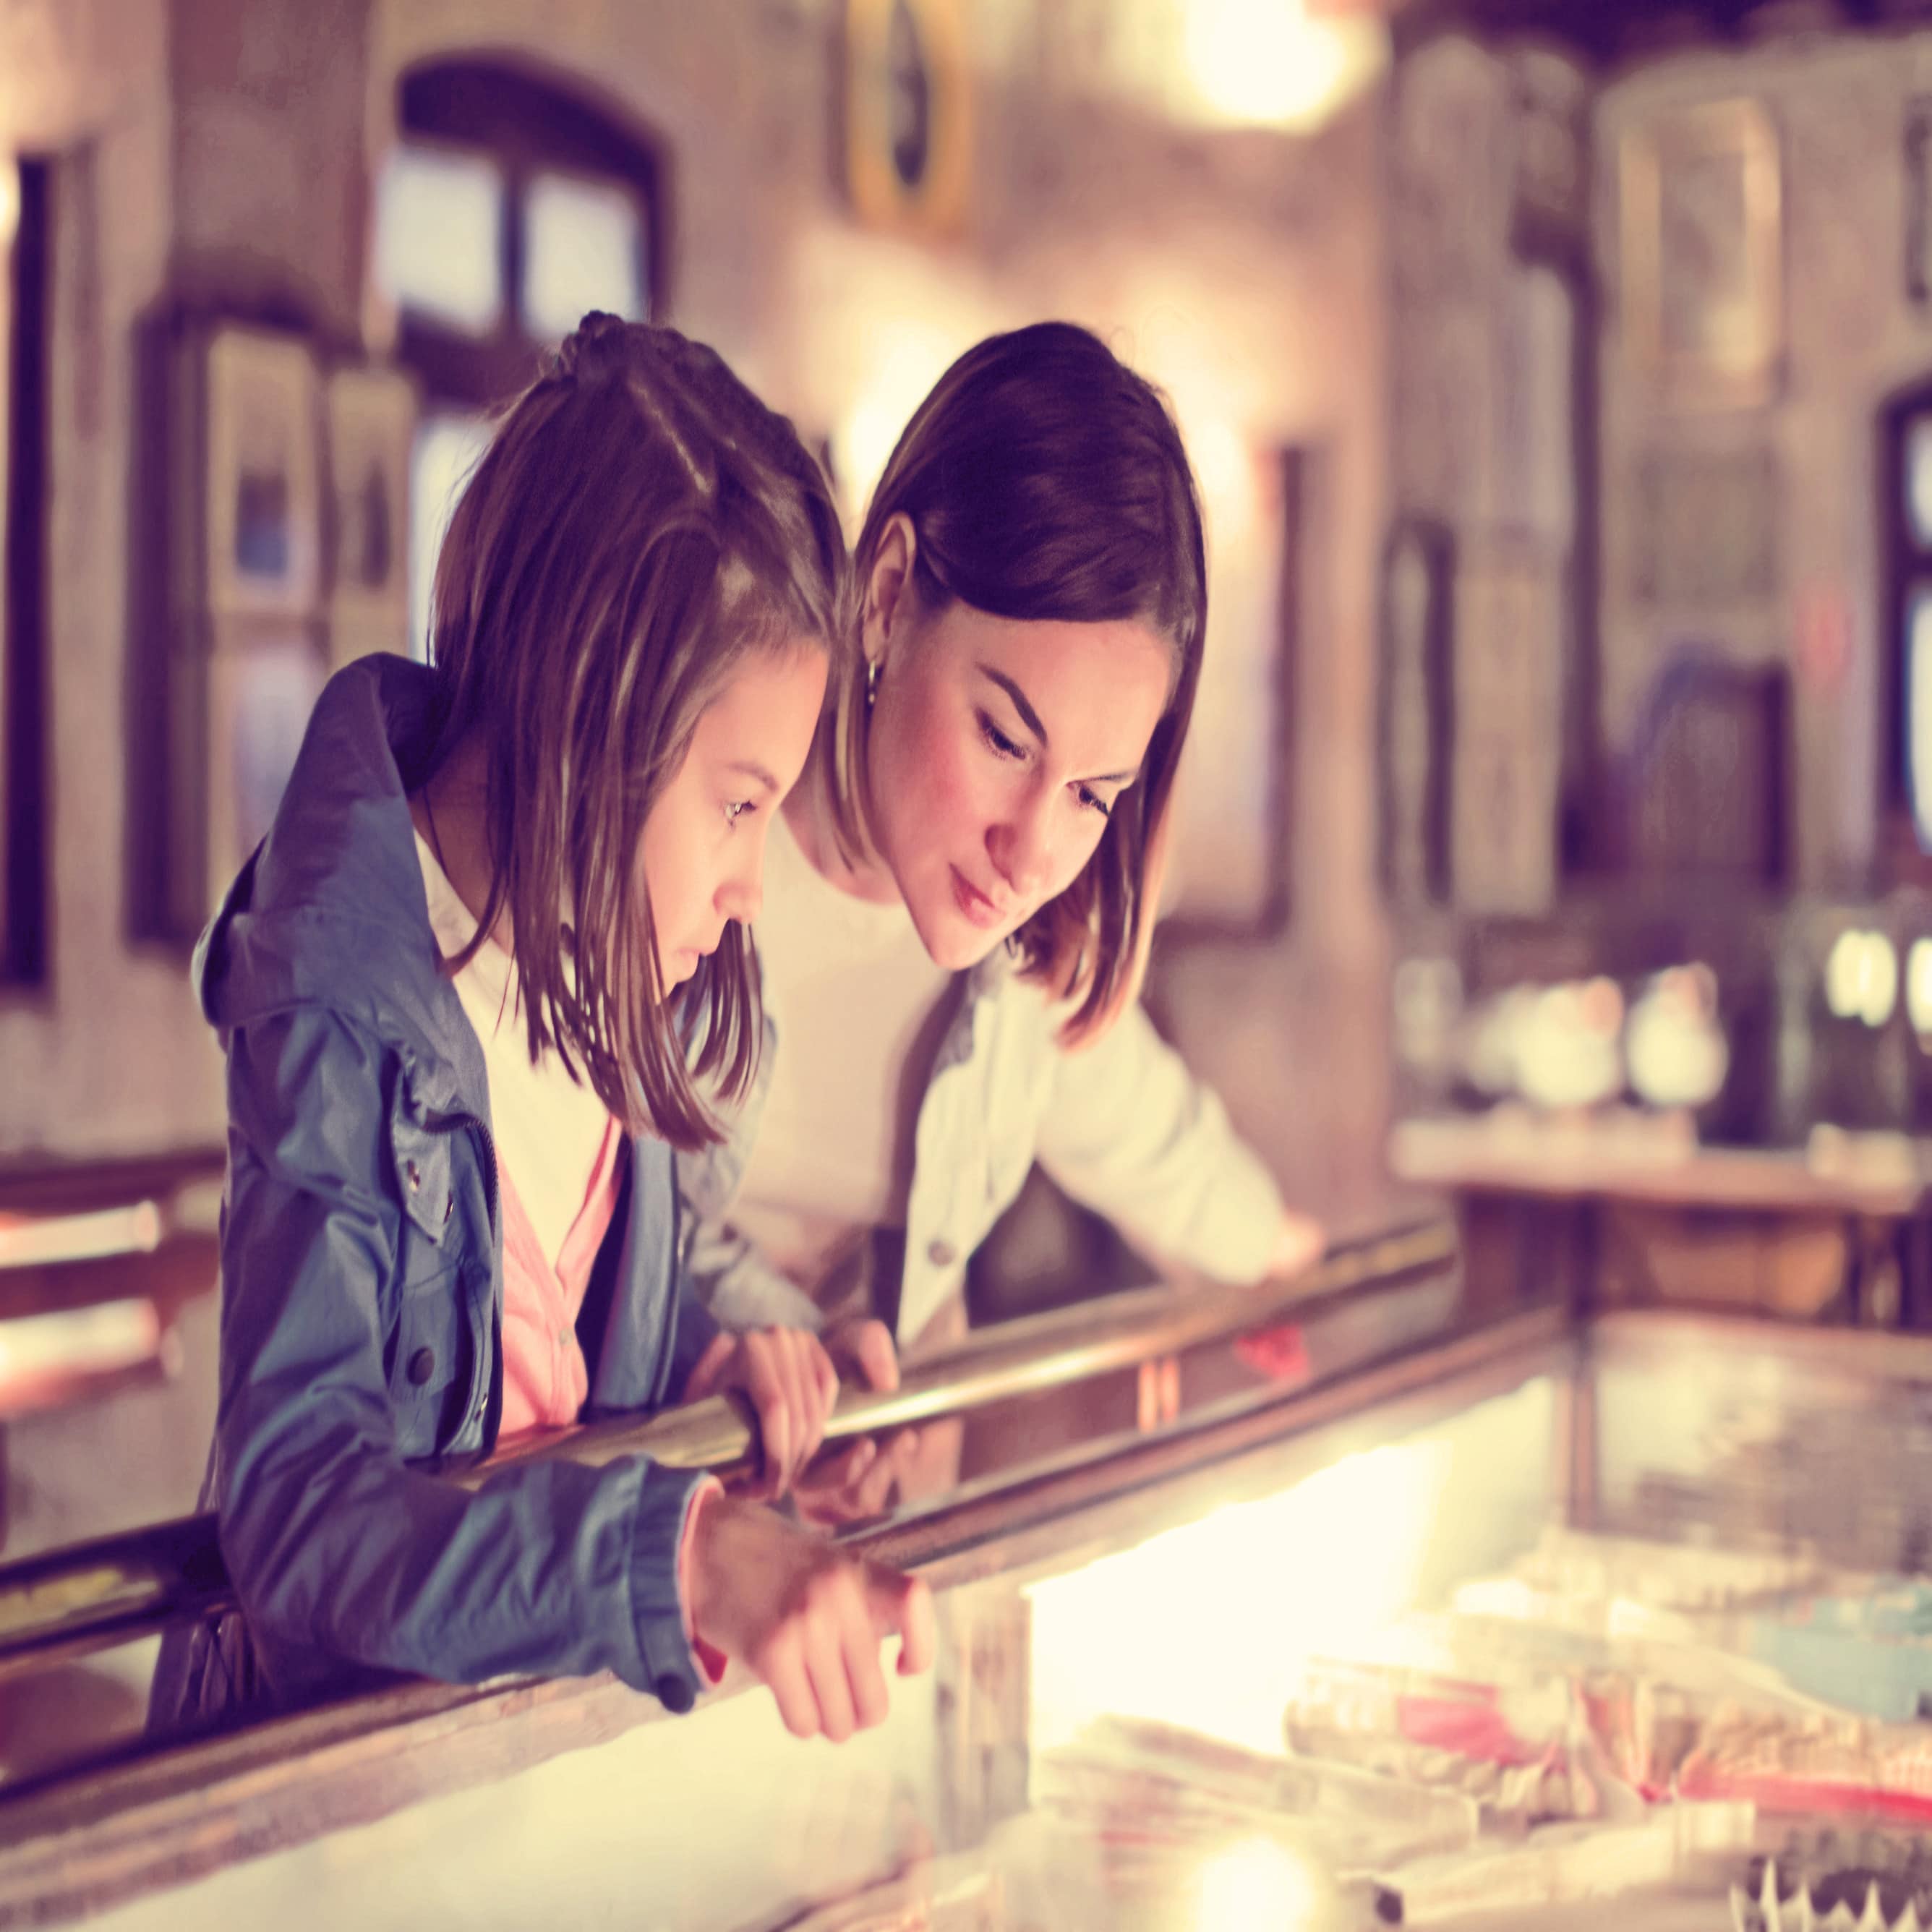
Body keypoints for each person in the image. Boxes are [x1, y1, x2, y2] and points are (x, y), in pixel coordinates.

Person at [150, 315, 931, 1746]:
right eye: (740, 802)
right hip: (323, 1797)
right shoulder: (339, 1007)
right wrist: (679, 1554)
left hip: (519, 1768)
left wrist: (717, 1366)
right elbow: (304, 1510)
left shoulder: (637, 982)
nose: (757, 887)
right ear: (592, 726)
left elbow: (556, 1351)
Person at [678, 321, 1326, 1518]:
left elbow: (1152, 1135)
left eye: (1091, 794)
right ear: (885, 599)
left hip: (862, 1574)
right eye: (1004, 737)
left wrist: (1282, 1267)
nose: (1033, 851)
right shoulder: (688, 849)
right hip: (645, 1568)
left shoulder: (1030, 968)